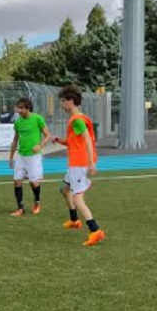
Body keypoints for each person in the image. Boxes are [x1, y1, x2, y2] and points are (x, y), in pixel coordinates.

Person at [53, 84, 105, 246]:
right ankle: (75, 220)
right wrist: (60, 141)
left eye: (63, 101)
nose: (61, 105)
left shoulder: (77, 120)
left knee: (77, 198)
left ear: (71, 101)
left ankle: (95, 231)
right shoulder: (75, 120)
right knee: (64, 189)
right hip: (75, 162)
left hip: (79, 163)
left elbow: (88, 140)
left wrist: (90, 162)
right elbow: (74, 142)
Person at [8, 97, 52, 216]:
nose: (19, 110)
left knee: (34, 182)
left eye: (21, 108)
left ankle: (37, 201)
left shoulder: (38, 119)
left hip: (34, 157)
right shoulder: (18, 122)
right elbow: (15, 140)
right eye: (18, 108)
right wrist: (11, 157)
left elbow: (48, 135)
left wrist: (40, 145)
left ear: (28, 108)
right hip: (21, 156)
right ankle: (20, 208)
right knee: (17, 181)